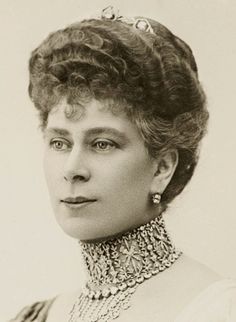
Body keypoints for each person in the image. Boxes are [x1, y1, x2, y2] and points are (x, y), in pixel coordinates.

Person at [10, 6, 236, 322]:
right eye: (60, 143)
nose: (72, 169)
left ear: (162, 168)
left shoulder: (216, 311)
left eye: (102, 144)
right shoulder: (38, 316)